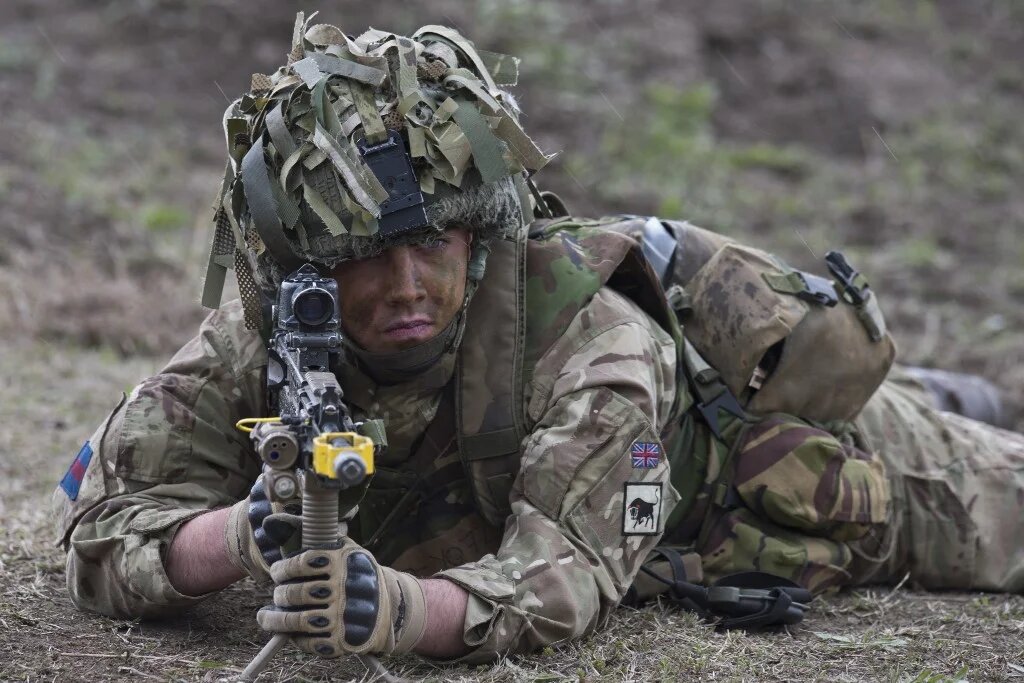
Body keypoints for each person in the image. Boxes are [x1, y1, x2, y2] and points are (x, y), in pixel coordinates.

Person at [53, 15, 1024, 664]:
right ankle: (965, 387)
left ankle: (957, 401)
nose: (404, 286)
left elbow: (560, 575)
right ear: (301, 266)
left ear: (480, 234)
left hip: (754, 465)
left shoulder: (586, 340)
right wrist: (238, 535)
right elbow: (98, 527)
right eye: (361, 257)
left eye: (433, 242)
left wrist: (396, 609)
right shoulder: (265, 337)